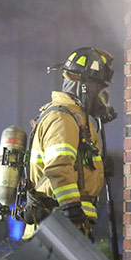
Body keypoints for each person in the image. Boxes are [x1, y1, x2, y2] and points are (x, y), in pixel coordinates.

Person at [22, 47, 116, 238]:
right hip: (57, 228)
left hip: (65, 227)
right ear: (85, 86)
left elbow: (75, 165)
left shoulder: (77, 118)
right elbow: (58, 167)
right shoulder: (62, 118)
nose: (103, 95)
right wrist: (72, 211)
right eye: (100, 87)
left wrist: (97, 168)